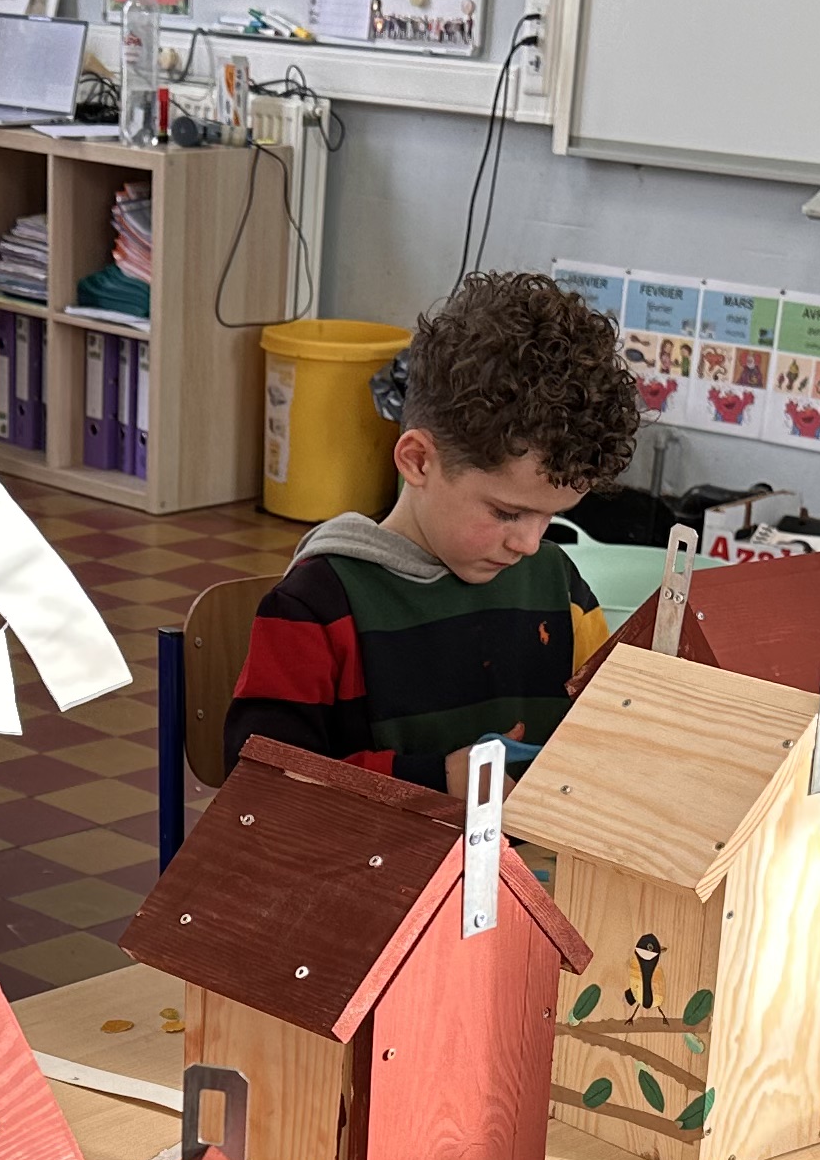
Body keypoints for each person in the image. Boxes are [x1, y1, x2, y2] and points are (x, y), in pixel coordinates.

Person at [225, 270, 638, 786]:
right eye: (507, 513)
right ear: (418, 460)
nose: (529, 544)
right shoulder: (318, 606)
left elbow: (606, 737)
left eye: (551, 516)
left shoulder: (560, 587)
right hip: (366, 863)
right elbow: (261, 780)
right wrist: (436, 778)